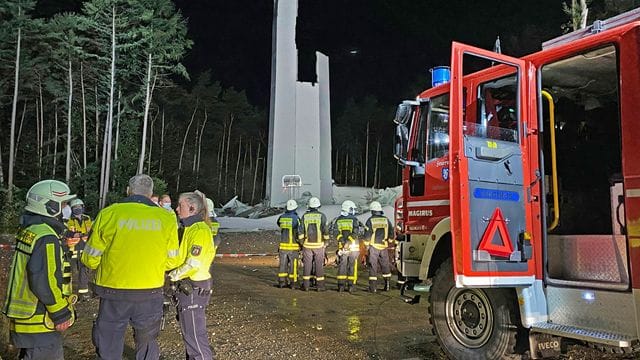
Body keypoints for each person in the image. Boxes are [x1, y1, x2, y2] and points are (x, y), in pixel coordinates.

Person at [81, 174, 180, 360]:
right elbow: (173, 261)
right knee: (147, 342)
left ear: (128, 190)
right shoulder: (166, 219)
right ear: (151, 194)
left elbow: (90, 258)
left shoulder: (109, 214)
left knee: (109, 342)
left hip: (113, 292)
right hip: (150, 292)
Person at [3, 180, 76, 360]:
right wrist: (60, 313)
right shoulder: (47, 237)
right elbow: (44, 279)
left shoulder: (31, 230)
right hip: (40, 319)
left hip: (26, 319)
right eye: (64, 204)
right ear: (51, 206)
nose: (67, 209)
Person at [169, 192, 215, 360]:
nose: (176, 209)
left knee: (195, 338)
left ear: (192, 208)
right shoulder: (190, 229)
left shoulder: (199, 230)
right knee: (191, 335)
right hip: (191, 287)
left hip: (193, 287)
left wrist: (172, 276)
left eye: (180, 206)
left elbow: (193, 263)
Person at [298, 197, 329, 291]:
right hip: (319, 246)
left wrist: (302, 242)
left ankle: (306, 286)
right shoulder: (322, 216)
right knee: (319, 265)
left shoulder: (304, 216)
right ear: (318, 206)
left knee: (307, 265)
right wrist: (326, 241)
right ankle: (320, 286)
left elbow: (300, 231)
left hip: (307, 245)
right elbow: (325, 230)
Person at [331, 200, 362, 293]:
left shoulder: (338, 220)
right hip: (353, 247)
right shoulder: (354, 220)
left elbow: (336, 232)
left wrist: (342, 241)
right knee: (352, 266)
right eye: (352, 209)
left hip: (342, 247)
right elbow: (356, 232)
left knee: (342, 266)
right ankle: (351, 285)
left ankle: (341, 286)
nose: (353, 211)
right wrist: (349, 241)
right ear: (348, 209)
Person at [65, 198, 93, 299]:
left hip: (84, 249)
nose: (78, 209)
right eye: (75, 207)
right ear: (72, 209)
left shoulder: (87, 218)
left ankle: (83, 293)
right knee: (68, 272)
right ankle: (66, 293)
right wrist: (76, 234)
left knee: (84, 271)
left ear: (83, 207)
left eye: (79, 207)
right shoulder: (68, 220)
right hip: (72, 249)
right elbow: (67, 232)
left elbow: (91, 231)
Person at [364, 201, 394, 293]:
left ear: (372, 211)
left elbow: (367, 235)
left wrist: (366, 245)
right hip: (383, 246)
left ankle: (373, 288)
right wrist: (389, 241)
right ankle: (387, 285)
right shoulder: (386, 220)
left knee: (373, 266)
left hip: (374, 247)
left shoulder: (370, 220)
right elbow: (391, 233)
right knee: (385, 266)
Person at [276, 199, 301, 289]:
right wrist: (301, 244)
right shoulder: (296, 218)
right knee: (293, 266)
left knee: (282, 265)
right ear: (295, 208)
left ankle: (282, 282)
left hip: (283, 246)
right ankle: (294, 283)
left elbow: (278, 224)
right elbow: (299, 231)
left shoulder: (281, 217)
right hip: (293, 246)